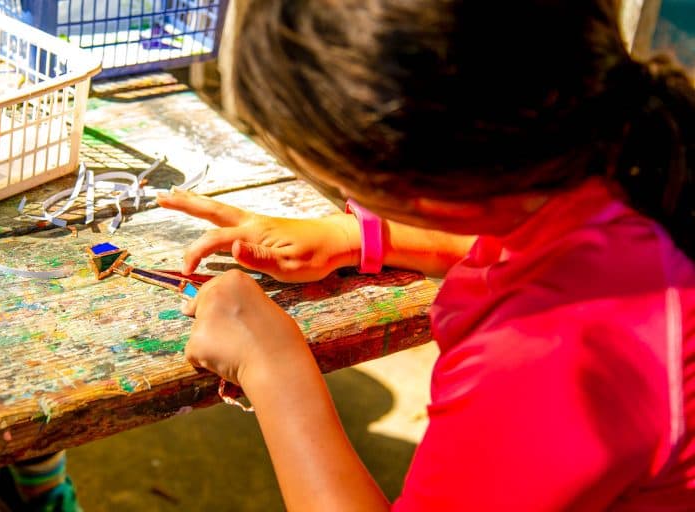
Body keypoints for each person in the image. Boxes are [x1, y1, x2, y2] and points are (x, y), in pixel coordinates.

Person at [156, 0, 695, 510]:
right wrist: (362, 236)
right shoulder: (629, 148)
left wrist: (269, 362)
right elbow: (521, 230)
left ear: (415, 185)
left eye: (341, 179)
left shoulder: (555, 354)